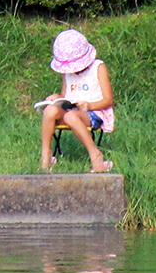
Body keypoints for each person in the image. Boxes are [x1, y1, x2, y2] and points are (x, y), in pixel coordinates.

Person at [39, 29, 115, 173]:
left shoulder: (98, 67)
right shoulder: (66, 72)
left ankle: (95, 154)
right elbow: (66, 94)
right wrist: (58, 97)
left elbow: (108, 100)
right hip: (73, 110)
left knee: (70, 116)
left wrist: (89, 105)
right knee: (50, 111)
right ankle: (46, 155)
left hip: (93, 112)